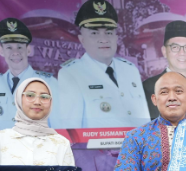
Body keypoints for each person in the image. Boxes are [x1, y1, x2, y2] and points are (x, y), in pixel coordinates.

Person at [56, 0, 150, 128]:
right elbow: (71, 130)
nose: (104, 39)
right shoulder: (71, 73)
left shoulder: (130, 69)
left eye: (109, 33)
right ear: (82, 40)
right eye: (94, 33)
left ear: (116, 38)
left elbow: (144, 120)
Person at [0, 18, 59, 132]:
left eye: (20, 47)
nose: (15, 52)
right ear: (1, 51)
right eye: (9, 47)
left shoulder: (48, 82)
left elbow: (57, 125)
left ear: (28, 50)